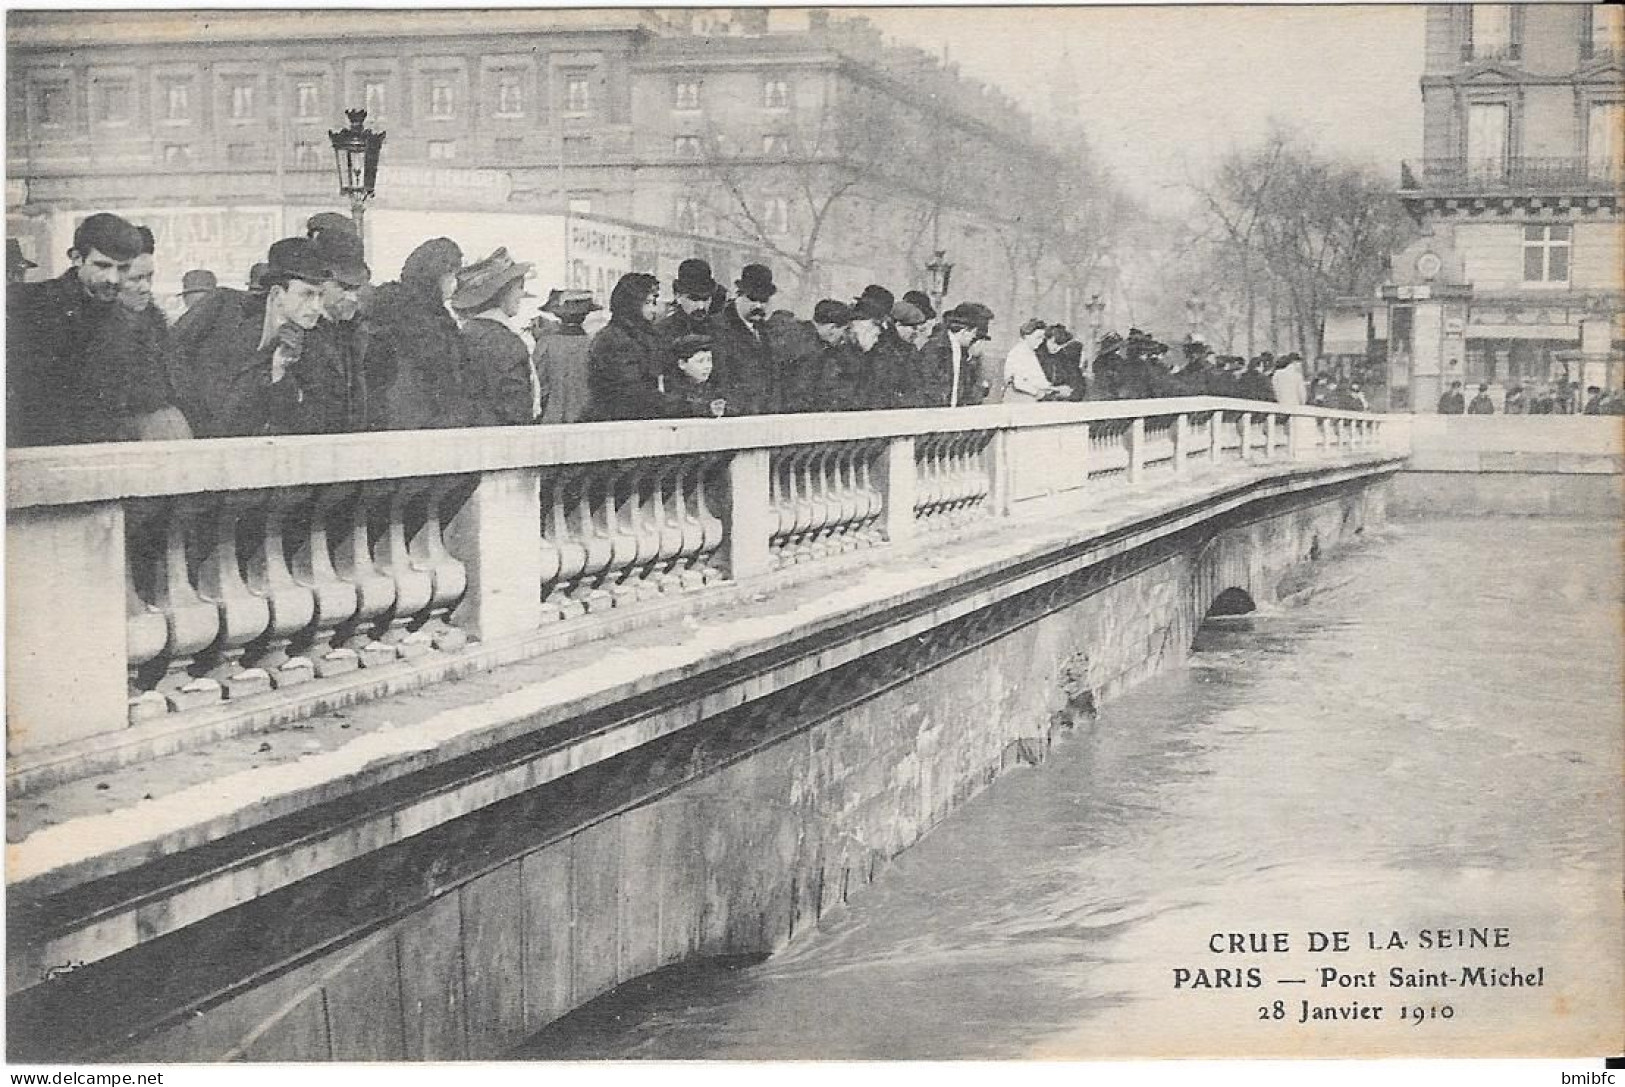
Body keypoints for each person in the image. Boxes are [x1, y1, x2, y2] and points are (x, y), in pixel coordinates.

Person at [7, 212, 183, 446]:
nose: (112, 278)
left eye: (122, 269)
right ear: (77, 258)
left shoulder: (134, 320)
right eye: (102, 266)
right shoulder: (27, 304)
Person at [167, 236, 331, 437]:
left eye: (320, 295)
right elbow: (170, 351)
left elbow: (304, 424)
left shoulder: (312, 344)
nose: (316, 307)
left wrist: (279, 373)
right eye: (307, 294)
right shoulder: (222, 306)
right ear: (277, 293)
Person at [364, 237, 474, 431]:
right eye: (450, 275)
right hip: (421, 422)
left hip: (398, 420)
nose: (454, 283)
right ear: (435, 276)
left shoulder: (398, 310)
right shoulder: (427, 321)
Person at [300, 215, 373, 433]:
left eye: (355, 288)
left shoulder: (353, 327)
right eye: (343, 287)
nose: (351, 298)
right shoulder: (304, 327)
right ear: (321, 282)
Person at [452, 247, 538, 426]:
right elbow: (517, 410)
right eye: (518, 288)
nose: (522, 294)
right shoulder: (507, 342)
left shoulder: (464, 333)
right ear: (502, 293)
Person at [586, 271, 669, 421]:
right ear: (631, 304)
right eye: (647, 303)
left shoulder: (643, 335)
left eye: (654, 303)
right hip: (615, 421)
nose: (653, 310)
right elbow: (633, 391)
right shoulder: (613, 339)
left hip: (637, 418)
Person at [708, 263, 778, 415]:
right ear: (739, 294)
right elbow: (719, 379)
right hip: (732, 417)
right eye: (753, 298)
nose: (759, 305)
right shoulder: (717, 327)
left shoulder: (765, 330)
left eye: (764, 300)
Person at [535, 289, 600, 424]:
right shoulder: (594, 343)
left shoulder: (546, 343)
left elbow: (538, 385)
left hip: (553, 417)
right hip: (589, 418)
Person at [658, 333, 730, 417]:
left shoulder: (712, 387)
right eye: (700, 361)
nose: (707, 366)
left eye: (709, 360)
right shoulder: (668, 389)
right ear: (682, 364)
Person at [1005, 318, 1070, 403]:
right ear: (1027, 335)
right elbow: (1018, 383)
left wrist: (1054, 389)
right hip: (1018, 399)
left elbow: (1036, 380)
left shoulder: (1030, 353)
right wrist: (1039, 393)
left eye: (1042, 338)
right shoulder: (1018, 352)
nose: (1040, 341)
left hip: (1029, 398)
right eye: (1038, 337)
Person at [1039, 325, 1087, 401]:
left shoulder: (1066, 357)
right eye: (1052, 343)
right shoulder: (1039, 355)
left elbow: (1078, 386)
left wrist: (1069, 394)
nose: (1055, 348)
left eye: (1059, 346)